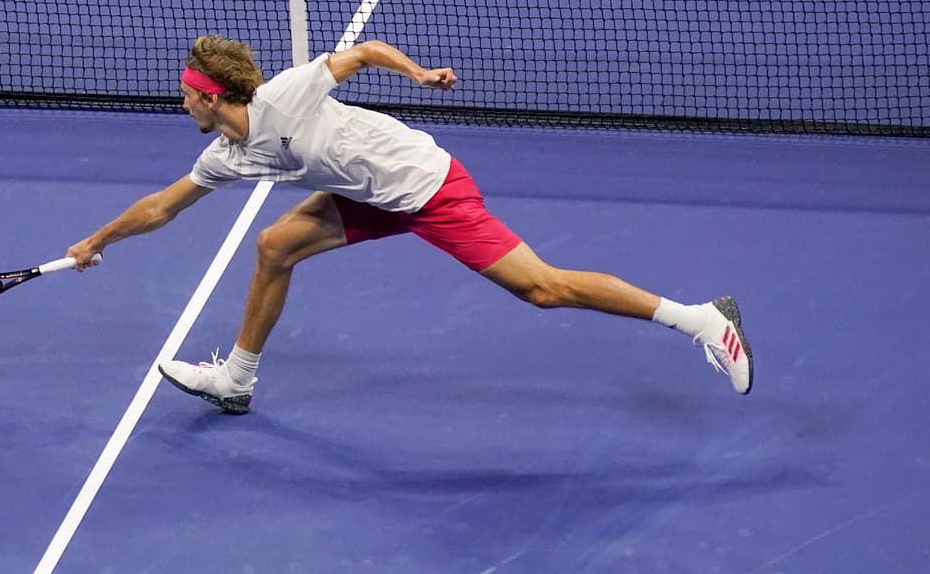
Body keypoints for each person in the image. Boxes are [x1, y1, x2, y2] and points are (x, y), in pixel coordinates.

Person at [65, 35, 753, 414]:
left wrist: (419, 75)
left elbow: (363, 51)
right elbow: (164, 204)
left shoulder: (287, 93)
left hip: (427, 189)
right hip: (366, 192)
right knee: (275, 246)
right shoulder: (227, 153)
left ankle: (701, 319)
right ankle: (237, 380)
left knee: (542, 289)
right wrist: (96, 241)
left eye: (188, 93)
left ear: (212, 97)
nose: (180, 100)